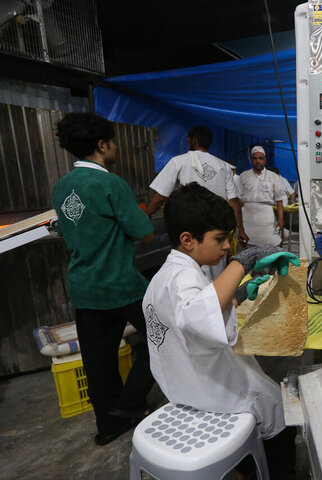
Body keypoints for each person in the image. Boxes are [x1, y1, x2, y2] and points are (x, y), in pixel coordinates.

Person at [142, 182, 300, 478]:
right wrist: (245, 261)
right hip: (213, 394)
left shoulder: (165, 276)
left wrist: (238, 296)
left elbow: (192, 316)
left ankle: (245, 464)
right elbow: (199, 315)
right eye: (220, 239)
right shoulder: (183, 280)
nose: (227, 246)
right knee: (279, 408)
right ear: (187, 240)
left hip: (182, 387)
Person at [51, 113, 156, 445]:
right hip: (121, 284)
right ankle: (129, 405)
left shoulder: (61, 187)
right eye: (112, 142)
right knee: (163, 338)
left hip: (84, 289)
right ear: (102, 145)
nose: (114, 148)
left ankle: (108, 426)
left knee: (98, 362)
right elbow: (146, 233)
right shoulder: (111, 184)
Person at [144, 126, 247, 244]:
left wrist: (147, 213)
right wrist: (241, 229)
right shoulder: (224, 166)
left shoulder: (178, 161)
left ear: (194, 141)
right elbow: (234, 201)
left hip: (190, 227)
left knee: (190, 260)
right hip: (217, 227)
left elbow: (161, 196)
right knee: (217, 259)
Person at [234, 146, 285, 246]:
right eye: (255, 158)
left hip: (266, 216)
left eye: (260, 158)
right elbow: (238, 201)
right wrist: (238, 224)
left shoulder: (273, 177)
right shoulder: (244, 176)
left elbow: (279, 199)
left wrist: (281, 219)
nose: (258, 161)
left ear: (265, 160)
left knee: (270, 246)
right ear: (251, 160)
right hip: (247, 217)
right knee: (247, 246)